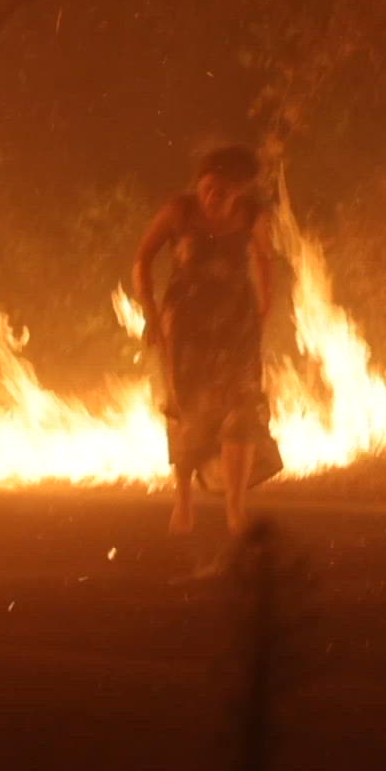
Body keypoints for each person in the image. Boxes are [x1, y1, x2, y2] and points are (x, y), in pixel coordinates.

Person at [133, 145, 283, 536]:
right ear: (199, 184)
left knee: (243, 409)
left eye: (223, 188)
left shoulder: (250, 214)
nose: (214, 194)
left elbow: (264, 257)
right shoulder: (179, 212)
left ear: (238, 190)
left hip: (236, 325)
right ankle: (184, 502)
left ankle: (235, 507)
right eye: (208, 186)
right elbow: (142, 260)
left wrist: (265, 305)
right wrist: (150, 311)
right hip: (186, 328)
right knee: (189, 411)